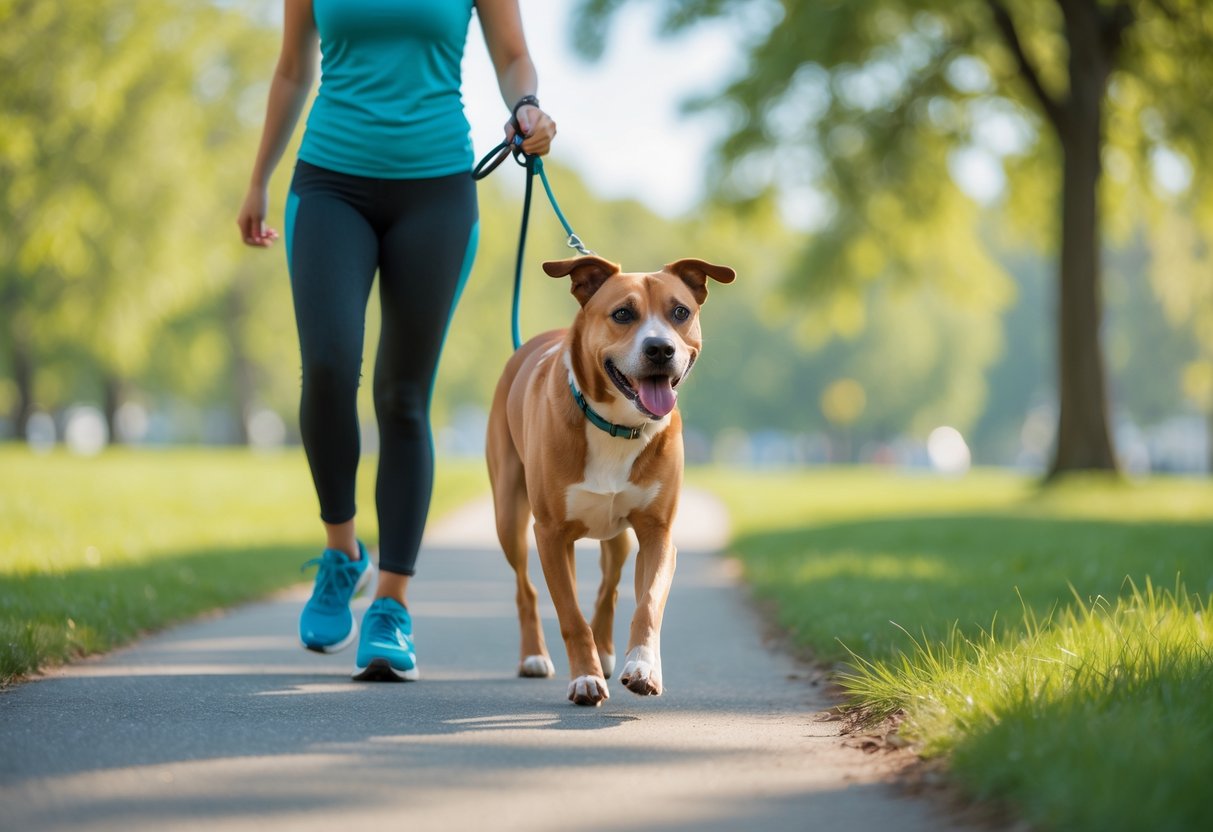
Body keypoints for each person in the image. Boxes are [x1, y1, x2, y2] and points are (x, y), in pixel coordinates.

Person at [237, 0, 555, 681]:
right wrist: (259, 177)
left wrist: (526, 103)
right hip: (327, 183)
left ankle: (390, 605)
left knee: (403, 397)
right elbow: (292, 69)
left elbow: (510, 55)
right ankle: (342, 550)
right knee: (326, 367)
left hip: (436, 190)